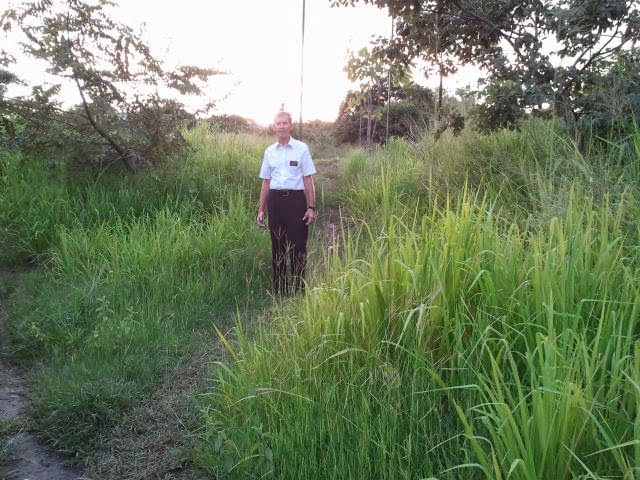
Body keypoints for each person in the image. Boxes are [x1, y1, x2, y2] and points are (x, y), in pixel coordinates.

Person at [256, 111, 317, 294]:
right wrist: (261, 210)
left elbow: (308, 178)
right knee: (278, 245)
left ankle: (299, 289)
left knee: (298, 246)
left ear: (291, 125)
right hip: (275, 202)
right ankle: (281, 289)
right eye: (278, 123)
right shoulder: (269, 152)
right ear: (274, 126)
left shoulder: (301, 149)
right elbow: (266, 182)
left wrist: (311, 207)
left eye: (285, 123)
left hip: (296, 201)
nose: (281, 126)